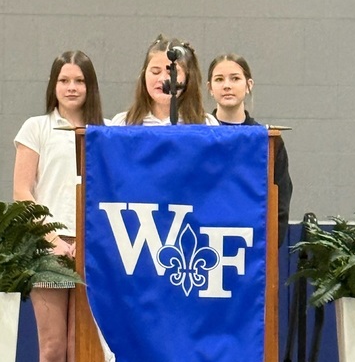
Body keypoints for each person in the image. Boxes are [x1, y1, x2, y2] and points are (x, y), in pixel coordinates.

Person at [14, 50, 104, 362]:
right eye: (64, 80)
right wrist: (52, 239)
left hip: (92, 248)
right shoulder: (36, 128)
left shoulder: (103, 131)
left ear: (90, 86)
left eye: (79, 81)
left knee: (81, 347)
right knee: (52, 347)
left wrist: (87, 241)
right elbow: (22, 192)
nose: (71, 87)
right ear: (53, 85)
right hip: (46, 247)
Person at [207, 52, 293, 248]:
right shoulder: (197, 137)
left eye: (235, 78)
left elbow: (280, 205)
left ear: (249, 85)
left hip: (254, 250)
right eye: (219, 79)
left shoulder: (268, 141)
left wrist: (267, 250)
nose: (227, 85)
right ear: (210, 88)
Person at [109, 34, 218, 126]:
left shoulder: (207, 124)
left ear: (188, 78)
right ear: (144, 75)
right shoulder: (123, 123)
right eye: (155, 72)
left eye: (172, 73)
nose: (162, 79)